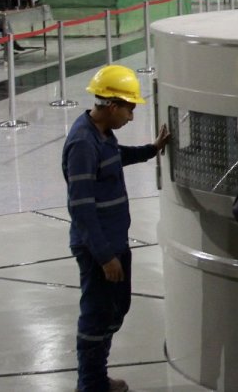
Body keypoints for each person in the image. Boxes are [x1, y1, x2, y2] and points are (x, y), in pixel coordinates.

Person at [63, 65, 170, 392]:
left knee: (115, 309)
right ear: (111, 105)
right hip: (99, 248)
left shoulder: (103, 135)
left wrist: (151, 150)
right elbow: (81, 208)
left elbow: (116, 157)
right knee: (96, 316)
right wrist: (105, 256)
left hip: (114, 241)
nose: (132, 116)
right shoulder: (83, 142)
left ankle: (97, 378)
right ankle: (91, 385)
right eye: (129, 109)